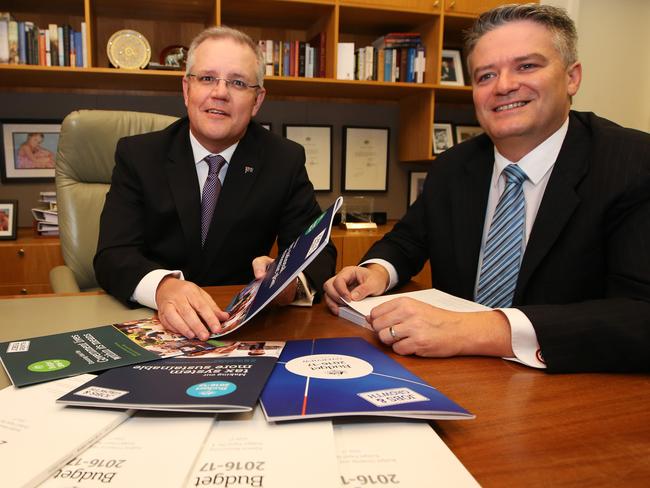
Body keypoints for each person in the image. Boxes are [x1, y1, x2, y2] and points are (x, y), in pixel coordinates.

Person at [324, 4, 650, 373]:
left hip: (570, 391)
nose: (504, 85)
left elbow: (640, 313)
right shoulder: (452, 166)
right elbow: (408, 240)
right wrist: (378, 271)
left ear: (572, 77)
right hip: (456, 375)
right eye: (485, 75)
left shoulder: (634, 164)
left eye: (527, 66)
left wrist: (477, 330)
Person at [95, 26, 336, 341]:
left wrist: (288, 284)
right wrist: (163, 288)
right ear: (186, 89)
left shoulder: (283, 160)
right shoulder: (139, 155)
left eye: (237, 82)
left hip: (239, 326)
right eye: (207, 78)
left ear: (257, 100)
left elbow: (318, 250)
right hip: (150, 321)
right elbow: (112, 255)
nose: (220, 93)